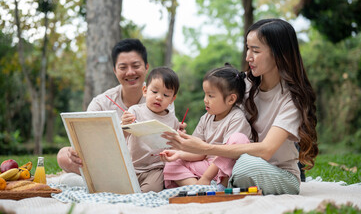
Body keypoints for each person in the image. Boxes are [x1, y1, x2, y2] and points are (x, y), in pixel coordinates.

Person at [161, 18, 318, 195]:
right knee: (180, 160)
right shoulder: (244, 84)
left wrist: (205, 148)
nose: (248, 57)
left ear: (278, 54)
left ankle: (216, 183)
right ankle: (208, 185)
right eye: (248, 49)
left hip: (276, 173)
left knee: (244, 164)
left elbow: (266, 150)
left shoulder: (292, 98)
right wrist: (185, 144)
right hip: (234, 162)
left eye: (255, 51)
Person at [57, 39, 183, 192]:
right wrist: (77, 149)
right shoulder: (101, 102)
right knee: (63, 155)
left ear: (146, 67)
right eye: (123, 67)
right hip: (108, 162)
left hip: (147, 166)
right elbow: (88, 140)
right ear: (115, 71)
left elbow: (164, 140)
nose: (130, 72)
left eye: (136, 66)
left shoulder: (161, 99)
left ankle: (90, 183)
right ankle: (96, 182)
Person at [160, 64, 252, 191]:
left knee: (238, 139)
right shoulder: (206, 118)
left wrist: (206, 178)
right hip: (206, 166)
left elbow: (230, 153)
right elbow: (199, 152)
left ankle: (219, 186)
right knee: (172, 164)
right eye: (205, 94)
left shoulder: (236, 117)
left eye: (211, 96)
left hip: (223, 170)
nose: (205, 100)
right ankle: (197, 188)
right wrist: (179, 154)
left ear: (231, 99)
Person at [121, 66, 180, 192]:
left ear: (172, 99)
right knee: (120, 190)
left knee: (150, 191)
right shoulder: (135, 111)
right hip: (131, 167)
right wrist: (123, 125)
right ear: (145, 90)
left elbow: (174, 148)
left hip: (155, 169)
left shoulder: (173, 121)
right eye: (154, 92)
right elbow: (121, 137)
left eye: (166, 94)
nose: (159, 97)